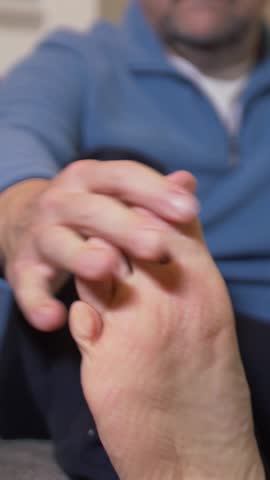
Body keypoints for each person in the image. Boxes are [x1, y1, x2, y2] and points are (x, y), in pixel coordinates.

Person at [0, 0, 270, 478]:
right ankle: (157, 449)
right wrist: (27, 211)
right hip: (89, 335)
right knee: (111, 178)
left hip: (258, 342)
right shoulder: (80, 60)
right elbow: (13, 133)